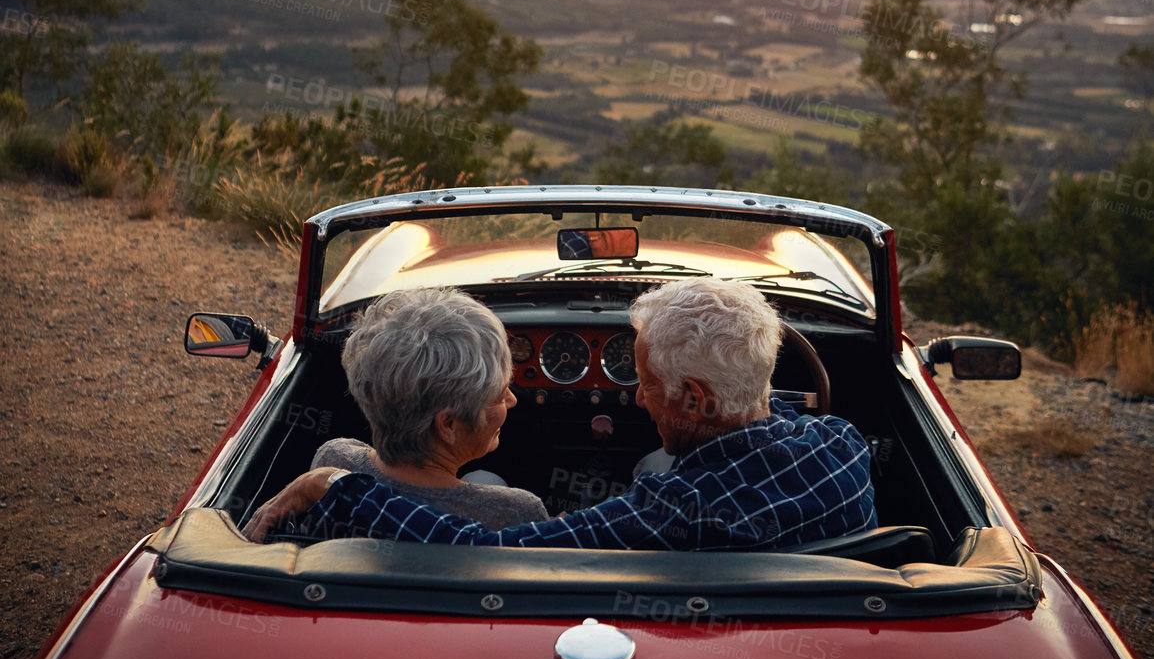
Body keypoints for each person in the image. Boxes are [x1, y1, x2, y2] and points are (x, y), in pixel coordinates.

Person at [246, 278, 875, 550]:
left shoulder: (661, 512)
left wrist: (338, 481)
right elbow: (763, 415)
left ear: (696, 400)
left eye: (648, 383)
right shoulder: (844, 445)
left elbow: (481, 547)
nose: (634, 397)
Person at [245, 286, 545, 539]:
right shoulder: (514, 513)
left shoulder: (335, 461)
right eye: (499, 393)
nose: (511, 401)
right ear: (448, 424)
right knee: (486, 478)